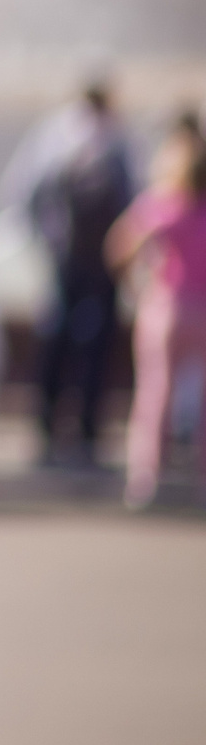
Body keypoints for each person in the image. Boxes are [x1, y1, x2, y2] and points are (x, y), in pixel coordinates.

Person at [7, 82, 134, 465]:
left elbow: (22, 192)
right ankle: (82, 430)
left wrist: (44, 239)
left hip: (68, 257)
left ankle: (49, 426)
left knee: (59, 337)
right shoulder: (118, 139)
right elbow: (135, 198)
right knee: (85, 342)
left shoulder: (55, 136)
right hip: (96, 259)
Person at [108, 114, 206, 507]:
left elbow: (121, 244)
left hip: (167, 306)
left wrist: (135, 284)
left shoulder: (165, 203)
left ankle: (146, 477)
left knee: (155, 393)